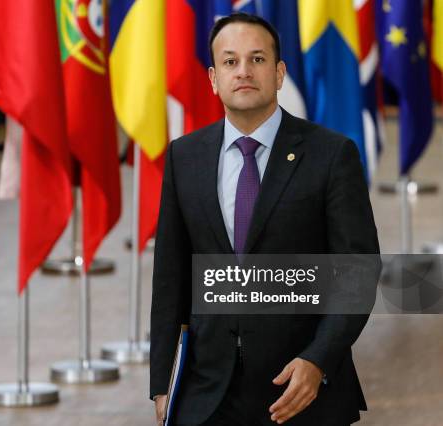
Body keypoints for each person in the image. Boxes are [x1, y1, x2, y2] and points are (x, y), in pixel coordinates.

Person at [150, 13, 380, 426]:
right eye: (230, 61)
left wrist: (318, 361)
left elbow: (357, 272)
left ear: (278, 74)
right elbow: (171, 276)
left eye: (257, 60)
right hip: (206, 396)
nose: (243, 71)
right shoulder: (184, 157)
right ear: (213, 78)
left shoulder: (331, 155)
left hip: (302, 389)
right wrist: (162, 383)